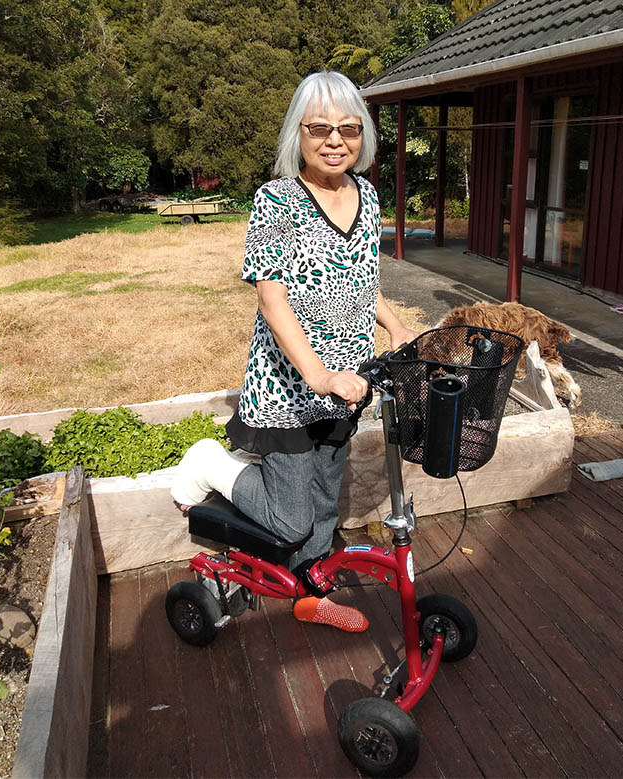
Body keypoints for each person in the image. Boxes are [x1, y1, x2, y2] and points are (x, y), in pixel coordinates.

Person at [171, 70, 417, 632]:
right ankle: (210, 462)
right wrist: (318, 374)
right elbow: (272, 298)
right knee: (290, 518)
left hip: (346, 384)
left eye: (349, 129)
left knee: (326, 504)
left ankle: (309, 593)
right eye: (320, 128)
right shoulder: (277, 199)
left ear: (364, 134)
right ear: (298, 134)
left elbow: (361, 277)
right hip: (289, 388)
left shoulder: (368, 194)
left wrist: (395, 325)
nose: (336, 140)